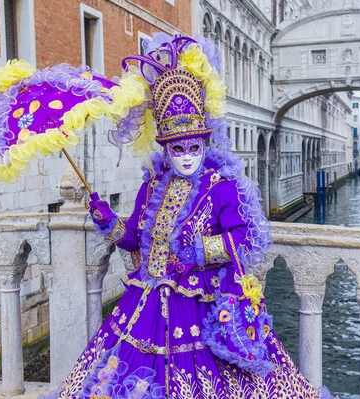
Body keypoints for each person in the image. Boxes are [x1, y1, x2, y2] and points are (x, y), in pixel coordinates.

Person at [43, 33, 335, 399]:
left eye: (193, 147)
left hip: (201, 301)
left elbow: (246, 236)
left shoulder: (222, 187)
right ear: (165, 149)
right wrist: (107, 220)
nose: (185, 155)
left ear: (204, 144)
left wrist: (195, 252)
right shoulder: (150, 189)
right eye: (177, 148)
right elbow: (133, 239)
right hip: (146, 300)